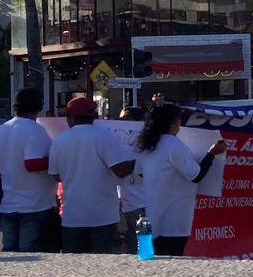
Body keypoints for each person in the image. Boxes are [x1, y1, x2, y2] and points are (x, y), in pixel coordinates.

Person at [137, 102, 226, 256]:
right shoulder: (173, 145)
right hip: (175, 217)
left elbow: (140, 173)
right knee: (173, 260)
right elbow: (196, 175)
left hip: (154, 214)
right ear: (174, 122)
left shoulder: (147, 145)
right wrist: (212, 153)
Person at [48, 97, 135, 253]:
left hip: (72, 216)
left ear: (71, 118)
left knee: (74, 267)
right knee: (102, 267)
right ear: (93, 117)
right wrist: (138, 160)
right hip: (103, 216)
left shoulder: (59, 141)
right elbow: (120, 171)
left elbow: (56, 177)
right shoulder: (105, 137)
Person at [0, 87, 56, 252]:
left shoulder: (1, 129)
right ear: (38, 107)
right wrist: (56, 161)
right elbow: (32, 164)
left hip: (9, 202)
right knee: (29, 254)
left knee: (10, 254)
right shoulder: (35, 130)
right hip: (34, 203)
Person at [116, 105, 148, 246]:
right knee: (129, 246)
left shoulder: (148, 145)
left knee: (142, 247)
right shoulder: (117, 143)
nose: (123, 124)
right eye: (121, 120)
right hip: (124, 204)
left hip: (141, 205)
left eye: (127, 120)